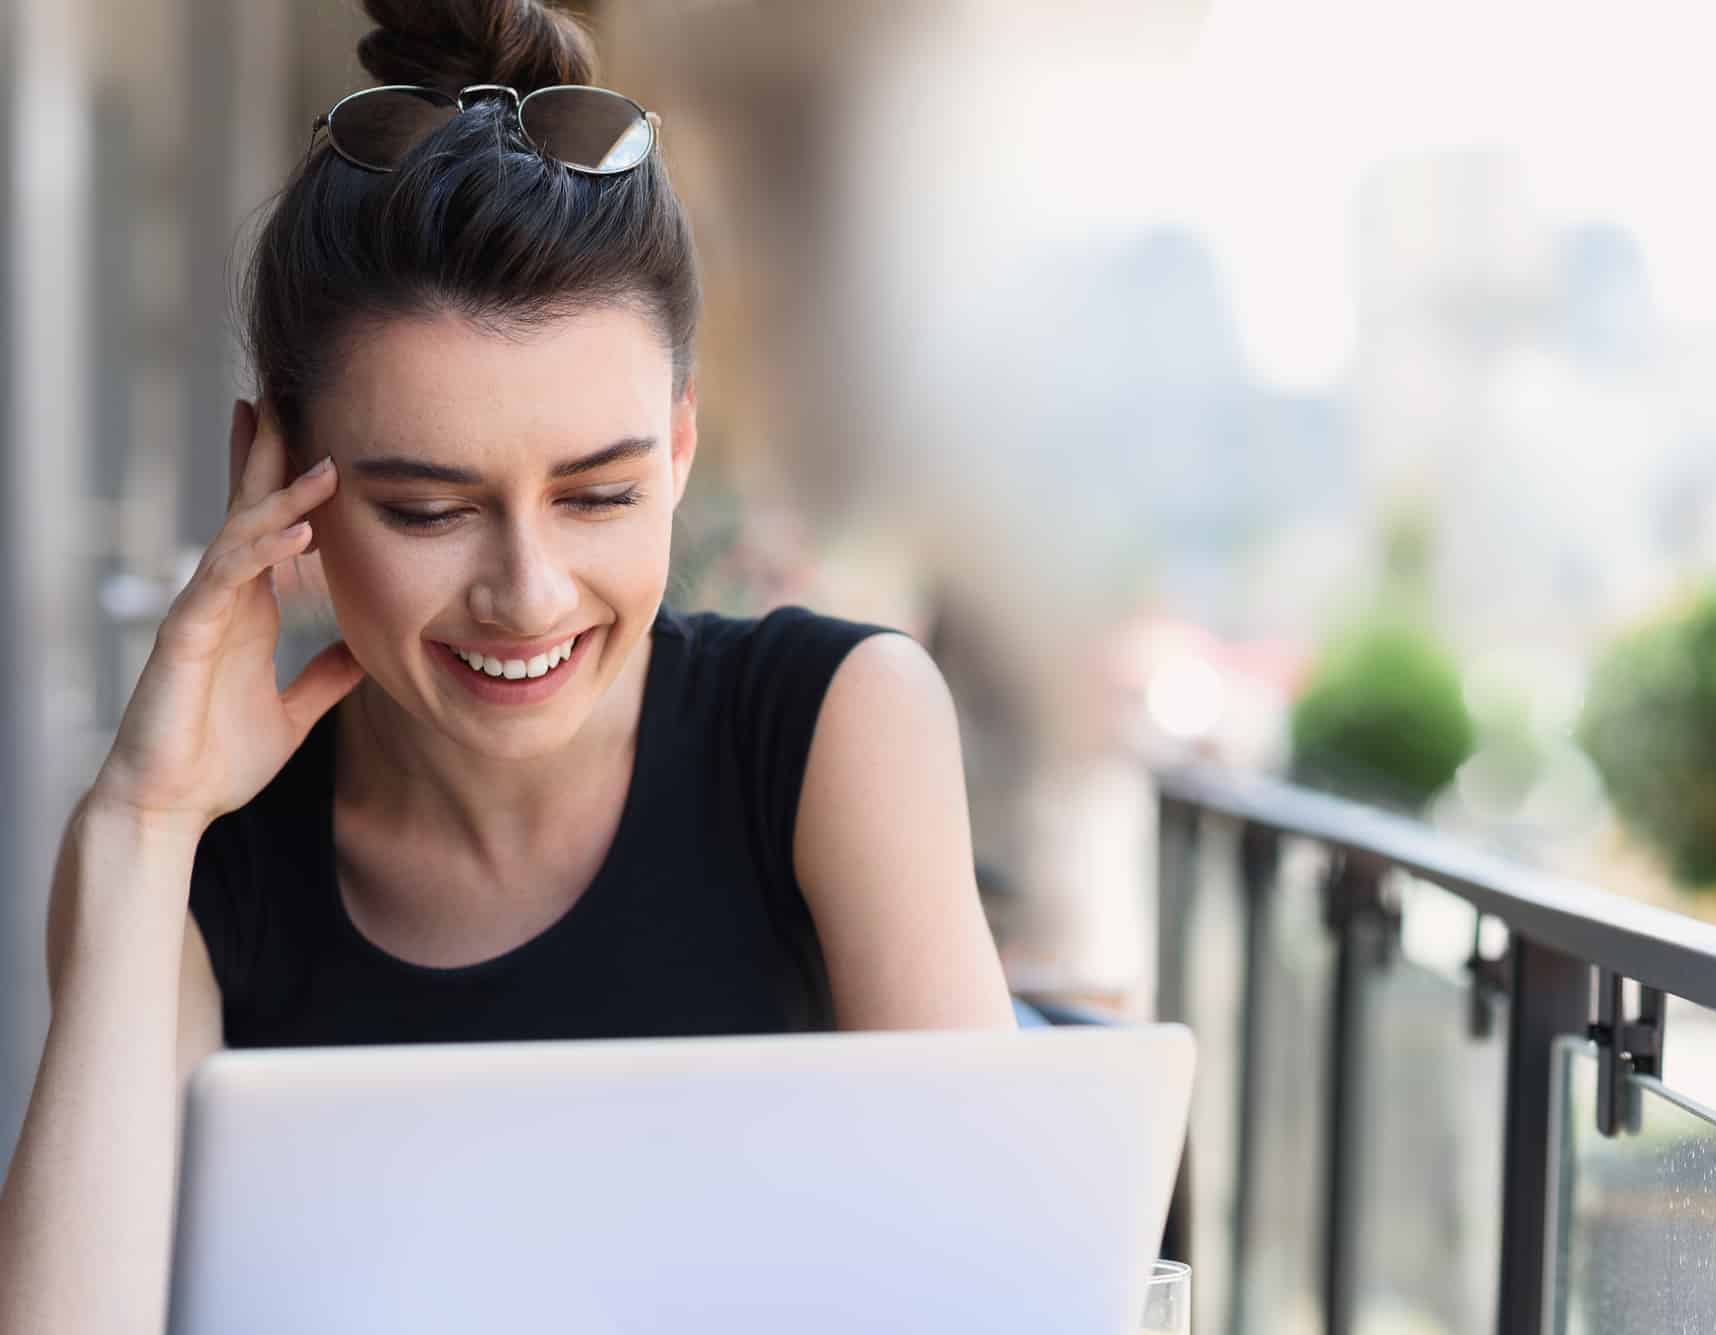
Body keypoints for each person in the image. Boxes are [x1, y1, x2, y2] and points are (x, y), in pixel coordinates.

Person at [0, 2, 1014, 1330]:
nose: (527, 596)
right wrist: (143, 820)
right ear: (272, 482)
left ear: (681, 456)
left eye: (599, 496)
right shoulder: (177, 866)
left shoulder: (836, 732)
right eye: (426, 510)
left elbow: (1006, 1280)